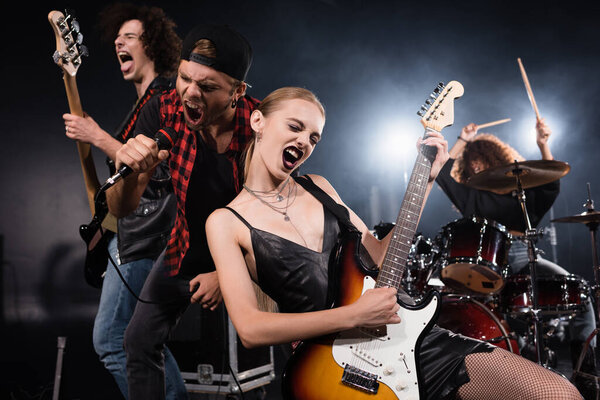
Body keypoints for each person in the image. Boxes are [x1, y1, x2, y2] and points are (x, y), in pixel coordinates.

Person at [205, 87, 582, 399]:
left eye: (314, 137)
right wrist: (353, 316)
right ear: (258, 121)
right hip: (329, 370)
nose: (303, 142)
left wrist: (426, 179)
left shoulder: (318, 187)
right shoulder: (225, 222)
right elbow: (251, 329)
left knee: (559, 394)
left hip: (408, 341)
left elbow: (380, 259)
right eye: (295, 127)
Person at [108, 24, 259, 400]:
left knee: (262, 347)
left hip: (253, 252)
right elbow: (121, 209)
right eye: (185, 78)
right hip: (187, 243)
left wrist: (225, 274)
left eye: (207, 87)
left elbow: (277, 218)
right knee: (138, 342)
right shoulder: (162, 109)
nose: (191, 92)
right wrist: (130, 174)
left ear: (237, 91)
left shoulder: (261, 126)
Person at [61, 4, 186, 399]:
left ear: (152, 44)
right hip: (129, 235)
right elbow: (124, 177)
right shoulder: (141, 106)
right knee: (140, 342)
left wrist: (96, 136)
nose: (118, 41)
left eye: (129, 36)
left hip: (147, 238)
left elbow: (160, 169)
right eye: (117, 38)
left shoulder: (167, 94)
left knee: (114, 340)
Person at [435, 121, 597, 381]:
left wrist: (543, 144)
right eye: (471, 162)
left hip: (524, 257)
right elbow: (442, 173)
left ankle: (586, 374)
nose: (475, 165)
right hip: (483, 267)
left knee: (581, 295)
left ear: (495, 159)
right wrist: (463, 140)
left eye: (480, 159)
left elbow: (551, 184)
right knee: (502, 320)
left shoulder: (520, 193)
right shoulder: (471, 196)